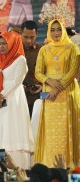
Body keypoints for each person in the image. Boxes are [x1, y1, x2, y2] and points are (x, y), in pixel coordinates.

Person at [0, 32, 34, 169]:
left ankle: (17, 167)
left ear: (12, 42)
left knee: (12, 130)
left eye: (4, 43)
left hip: (13, 101)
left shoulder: (20, 60)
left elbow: (18, 81)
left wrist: (2, 94)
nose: (1, 46)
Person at [34, 19, 80, 167]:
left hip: (67, 94)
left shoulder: (72, 48)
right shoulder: (44, 50)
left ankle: (68, 165)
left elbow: (73, 71)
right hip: (49, 97)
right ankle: (49, 165)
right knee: (50, 132)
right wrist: (49, 81)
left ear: (63, 31)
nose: (56, 33)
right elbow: (38, 72)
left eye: (58, 29)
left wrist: (56, 88)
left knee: (67, 131)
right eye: (52, 30)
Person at [20, 20, 42, 116]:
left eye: (32, 37)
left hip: (37, 96)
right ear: (20, 34)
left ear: (36, 35)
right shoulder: (13, 51)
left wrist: (41, 86)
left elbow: (47, 73)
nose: (29, 40)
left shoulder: (42, 51)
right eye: (25, 37)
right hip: (18, 97)